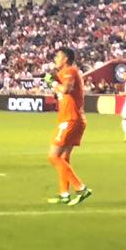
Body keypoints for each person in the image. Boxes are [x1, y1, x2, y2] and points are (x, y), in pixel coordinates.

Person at [46, 47, 91, 206]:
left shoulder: (70, 71)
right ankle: (64, 194)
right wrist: (53, 83)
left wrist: (52, 82)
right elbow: (60, 93)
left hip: (70, 119)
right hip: (72, 118)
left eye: (58, 56)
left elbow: (66, 89)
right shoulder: (62, 74)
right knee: (64, 158)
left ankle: (81, 188)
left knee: (53, 156)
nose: (55, 59)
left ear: (65, 59)